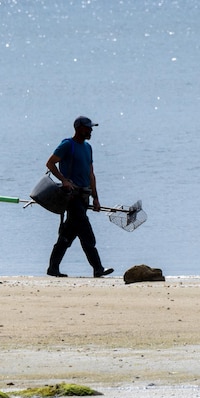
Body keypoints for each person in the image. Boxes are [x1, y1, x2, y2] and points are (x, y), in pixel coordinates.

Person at [45, 116, 114, 278]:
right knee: (86, 233)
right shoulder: (68, 145)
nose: (91, 130)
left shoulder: (88, 147)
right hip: (72, 197)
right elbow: (50, 163)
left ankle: (53, 268)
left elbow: (91, 174)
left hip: (85, 197)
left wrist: (96, 198)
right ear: (79, 128)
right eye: (88, 128)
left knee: (67, 235)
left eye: (91, 128)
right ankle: (98, 268)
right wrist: (64, 180)